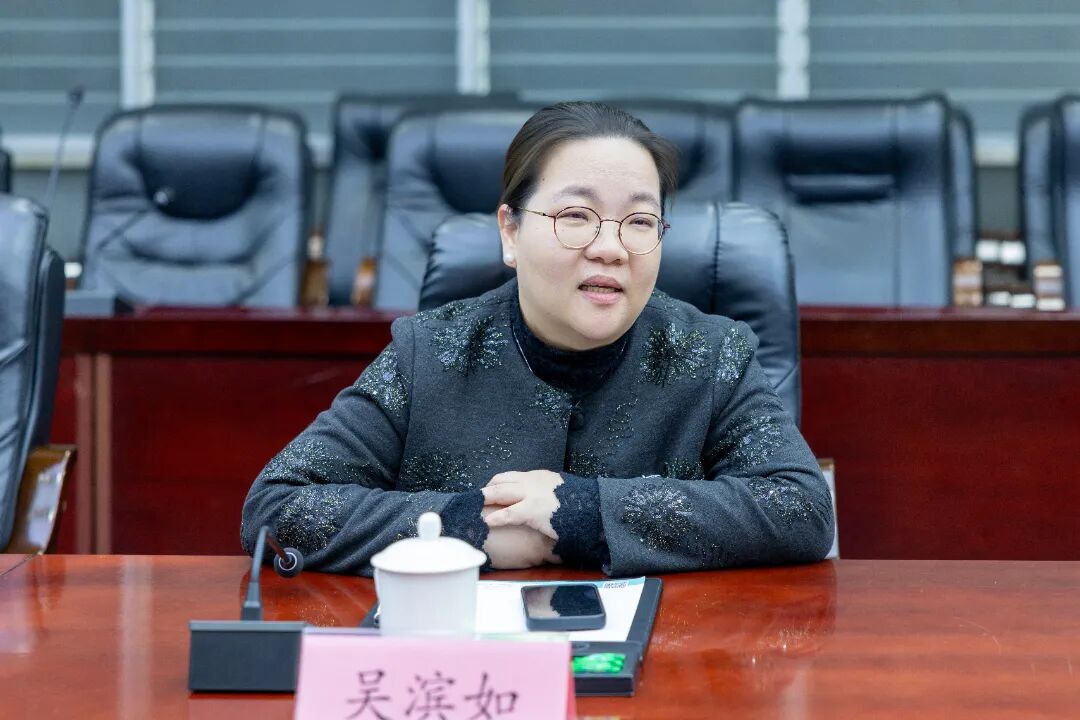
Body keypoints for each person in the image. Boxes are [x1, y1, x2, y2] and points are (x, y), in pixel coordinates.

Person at [241, 101, 834, 576]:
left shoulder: (711, 354)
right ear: (510, 232)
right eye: (576, 216)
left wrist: (581, 513)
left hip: (669, 657)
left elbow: (801, 509)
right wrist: (468, 529)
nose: (611, 247)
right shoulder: (429, 353)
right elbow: (276, 507)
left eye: (639, 221)